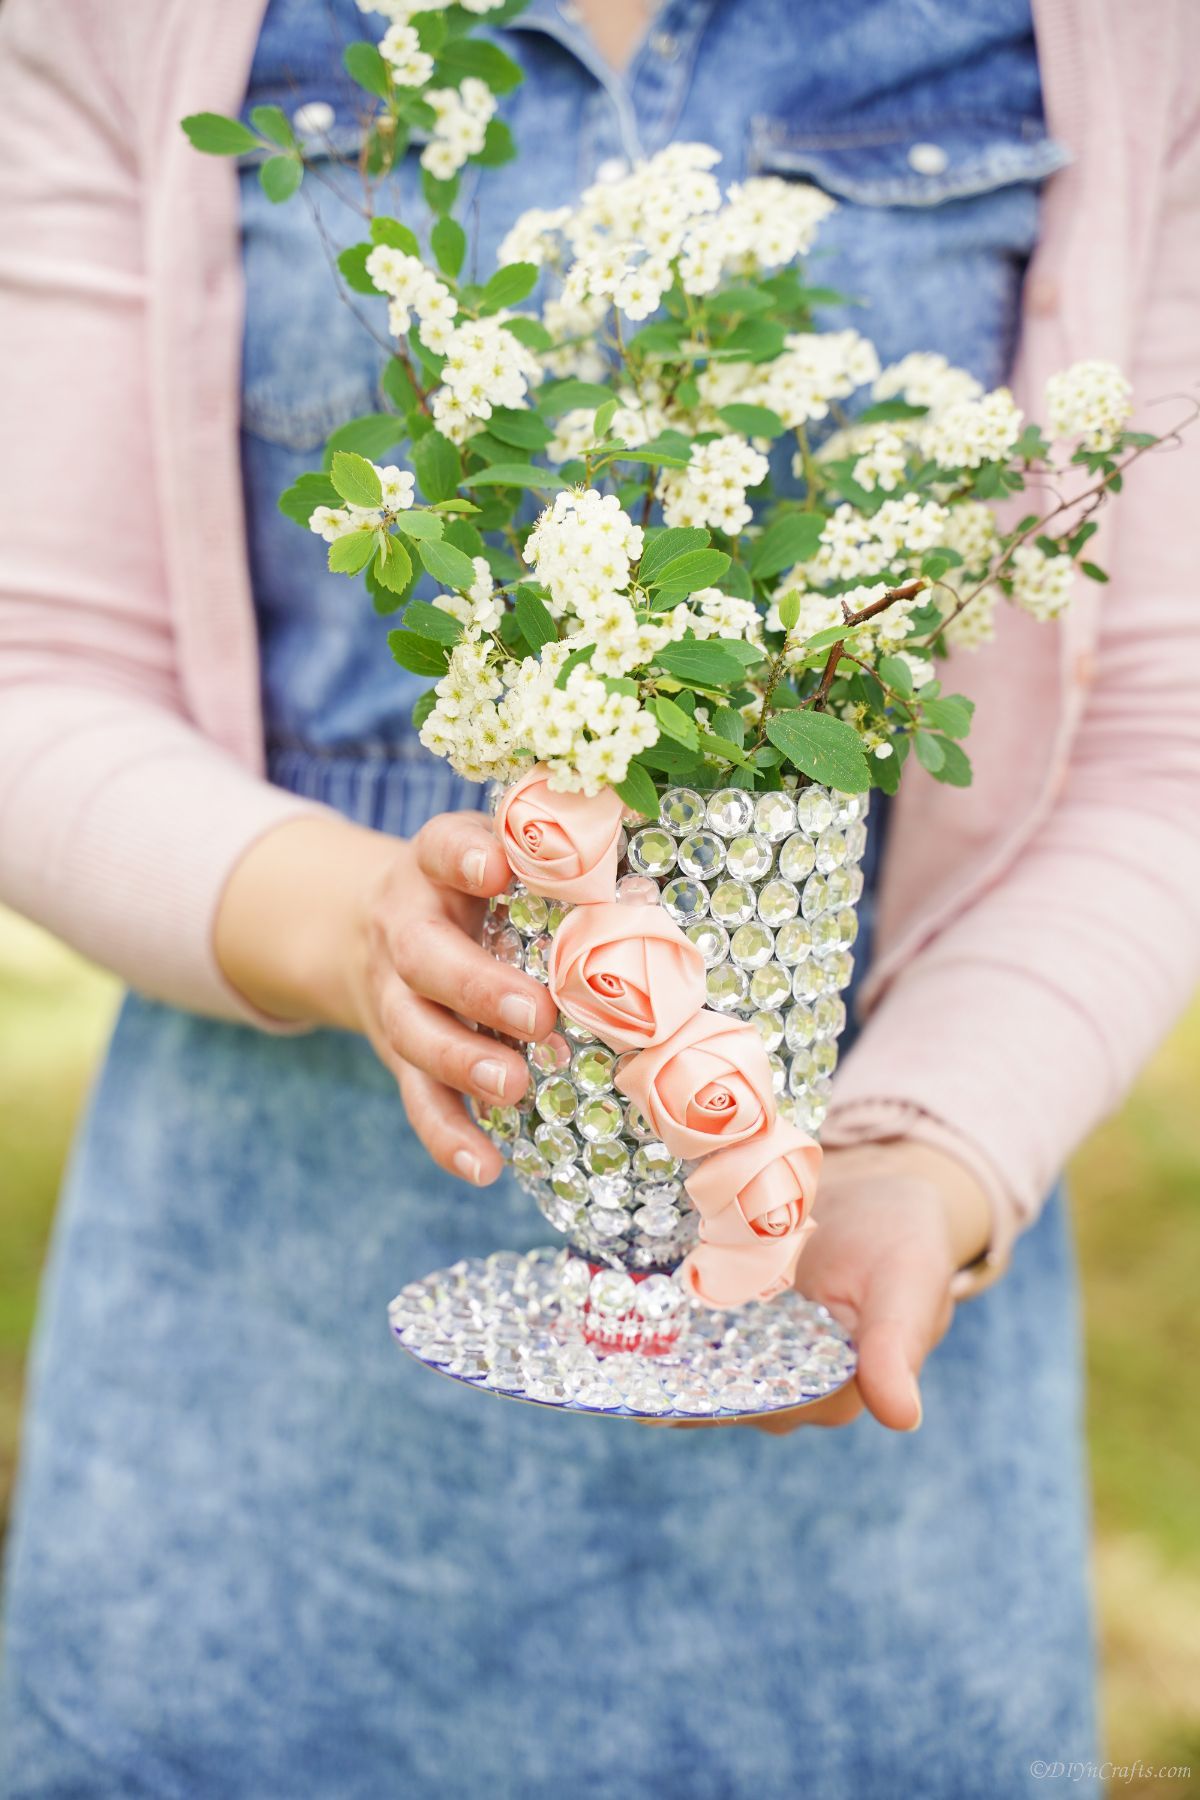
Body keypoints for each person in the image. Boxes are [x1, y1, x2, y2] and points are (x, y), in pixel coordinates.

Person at [1, 0, 1197, 1793]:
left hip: (856, 1468)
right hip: (254, 1407)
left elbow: (1157, 743)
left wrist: (928, 1156)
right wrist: (355, 926)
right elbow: (36, 661)